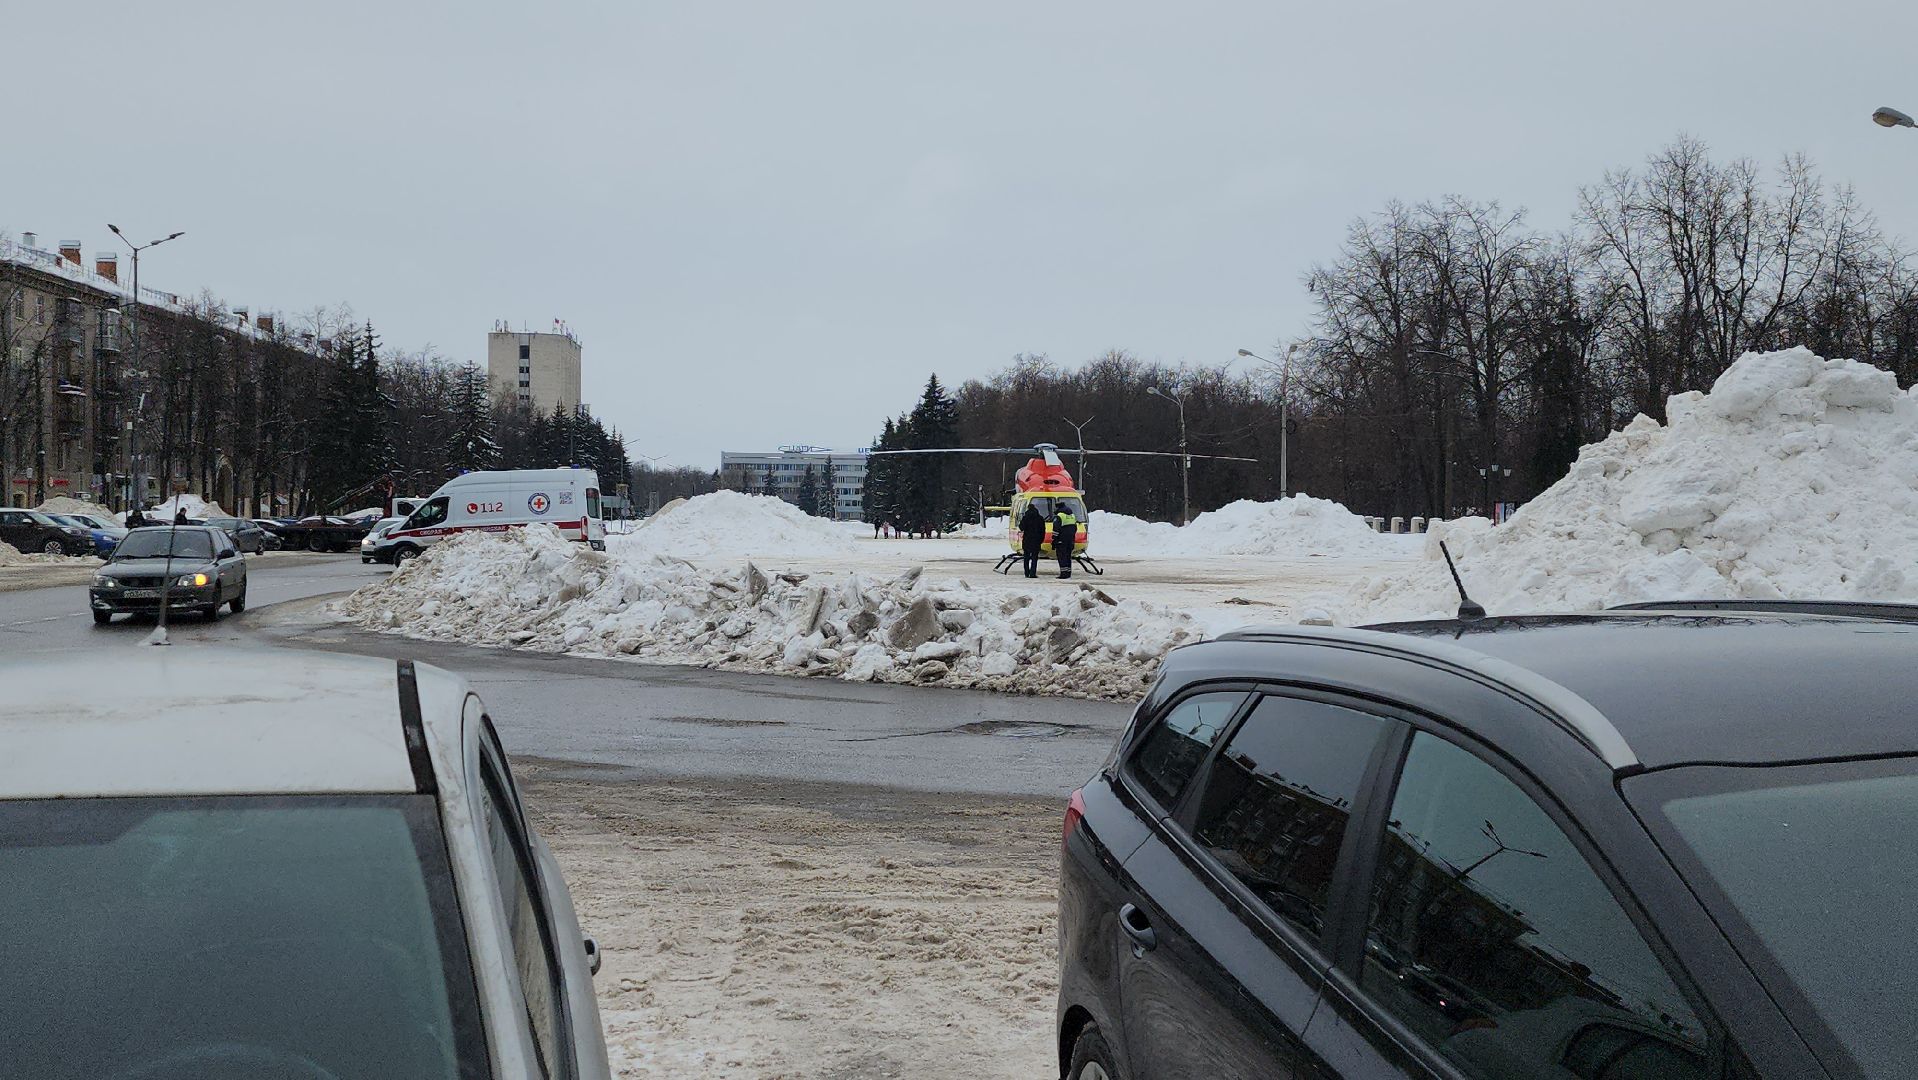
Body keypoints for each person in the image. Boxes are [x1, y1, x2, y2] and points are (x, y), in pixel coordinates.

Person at [1018, 503, 1046, 578]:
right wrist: (1041, 539)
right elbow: (1043, 530)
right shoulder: (1040, 518)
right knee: (1034, 558)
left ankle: (1026, 573)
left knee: (1026, 558)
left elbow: (1021, 528)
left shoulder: (1025, 517)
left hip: (1027, 540)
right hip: (1036, 541)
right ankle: (1033, 573)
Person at [1053, 503, 1079, 579]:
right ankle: (1068, 572)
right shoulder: (1072, 516)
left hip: (1061, 540)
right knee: (1068, 556)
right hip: (1070, 540)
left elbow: (1056, 529)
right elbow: (1075, 528)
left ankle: (1063, 573)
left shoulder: (1059, 516)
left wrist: (1054, 539)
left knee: (1061, 556)